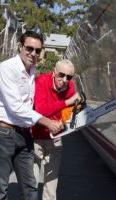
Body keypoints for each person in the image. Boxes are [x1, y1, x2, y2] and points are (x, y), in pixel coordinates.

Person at [0, 30, 63, 200]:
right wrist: (46, 122)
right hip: (2, 134)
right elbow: (15, 107)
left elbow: (31, 103)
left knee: (30, 187)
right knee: (0, 189)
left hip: (24, 134)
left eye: (38, 50)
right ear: (20, 47)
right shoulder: (7, 68)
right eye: (29, 48)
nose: (33, 53)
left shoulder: (31, 71)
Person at [32, 59, 81, 200]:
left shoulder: (70, 87)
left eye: (69, 77)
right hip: (36, 136)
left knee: (52, 181)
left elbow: (68, 111)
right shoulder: (41, 81)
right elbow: (41, 110)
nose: (65, 80)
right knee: (32, 179)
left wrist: (64, 120)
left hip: (56, 137)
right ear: (54, 72)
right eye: (61, 74)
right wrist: (67, 101)